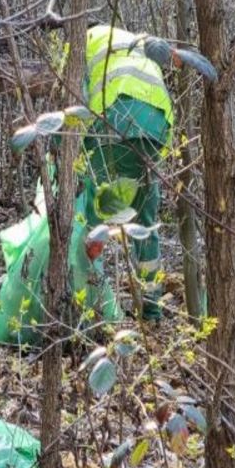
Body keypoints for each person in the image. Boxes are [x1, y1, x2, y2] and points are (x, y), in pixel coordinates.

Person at [82, 24, 173, 322]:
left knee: (92, 207)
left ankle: (89, 300)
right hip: (156, 127)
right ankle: (151, 308)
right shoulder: (134, 39)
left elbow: (74, 109)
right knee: (144, 219)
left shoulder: (84, 44)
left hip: (115, 118)